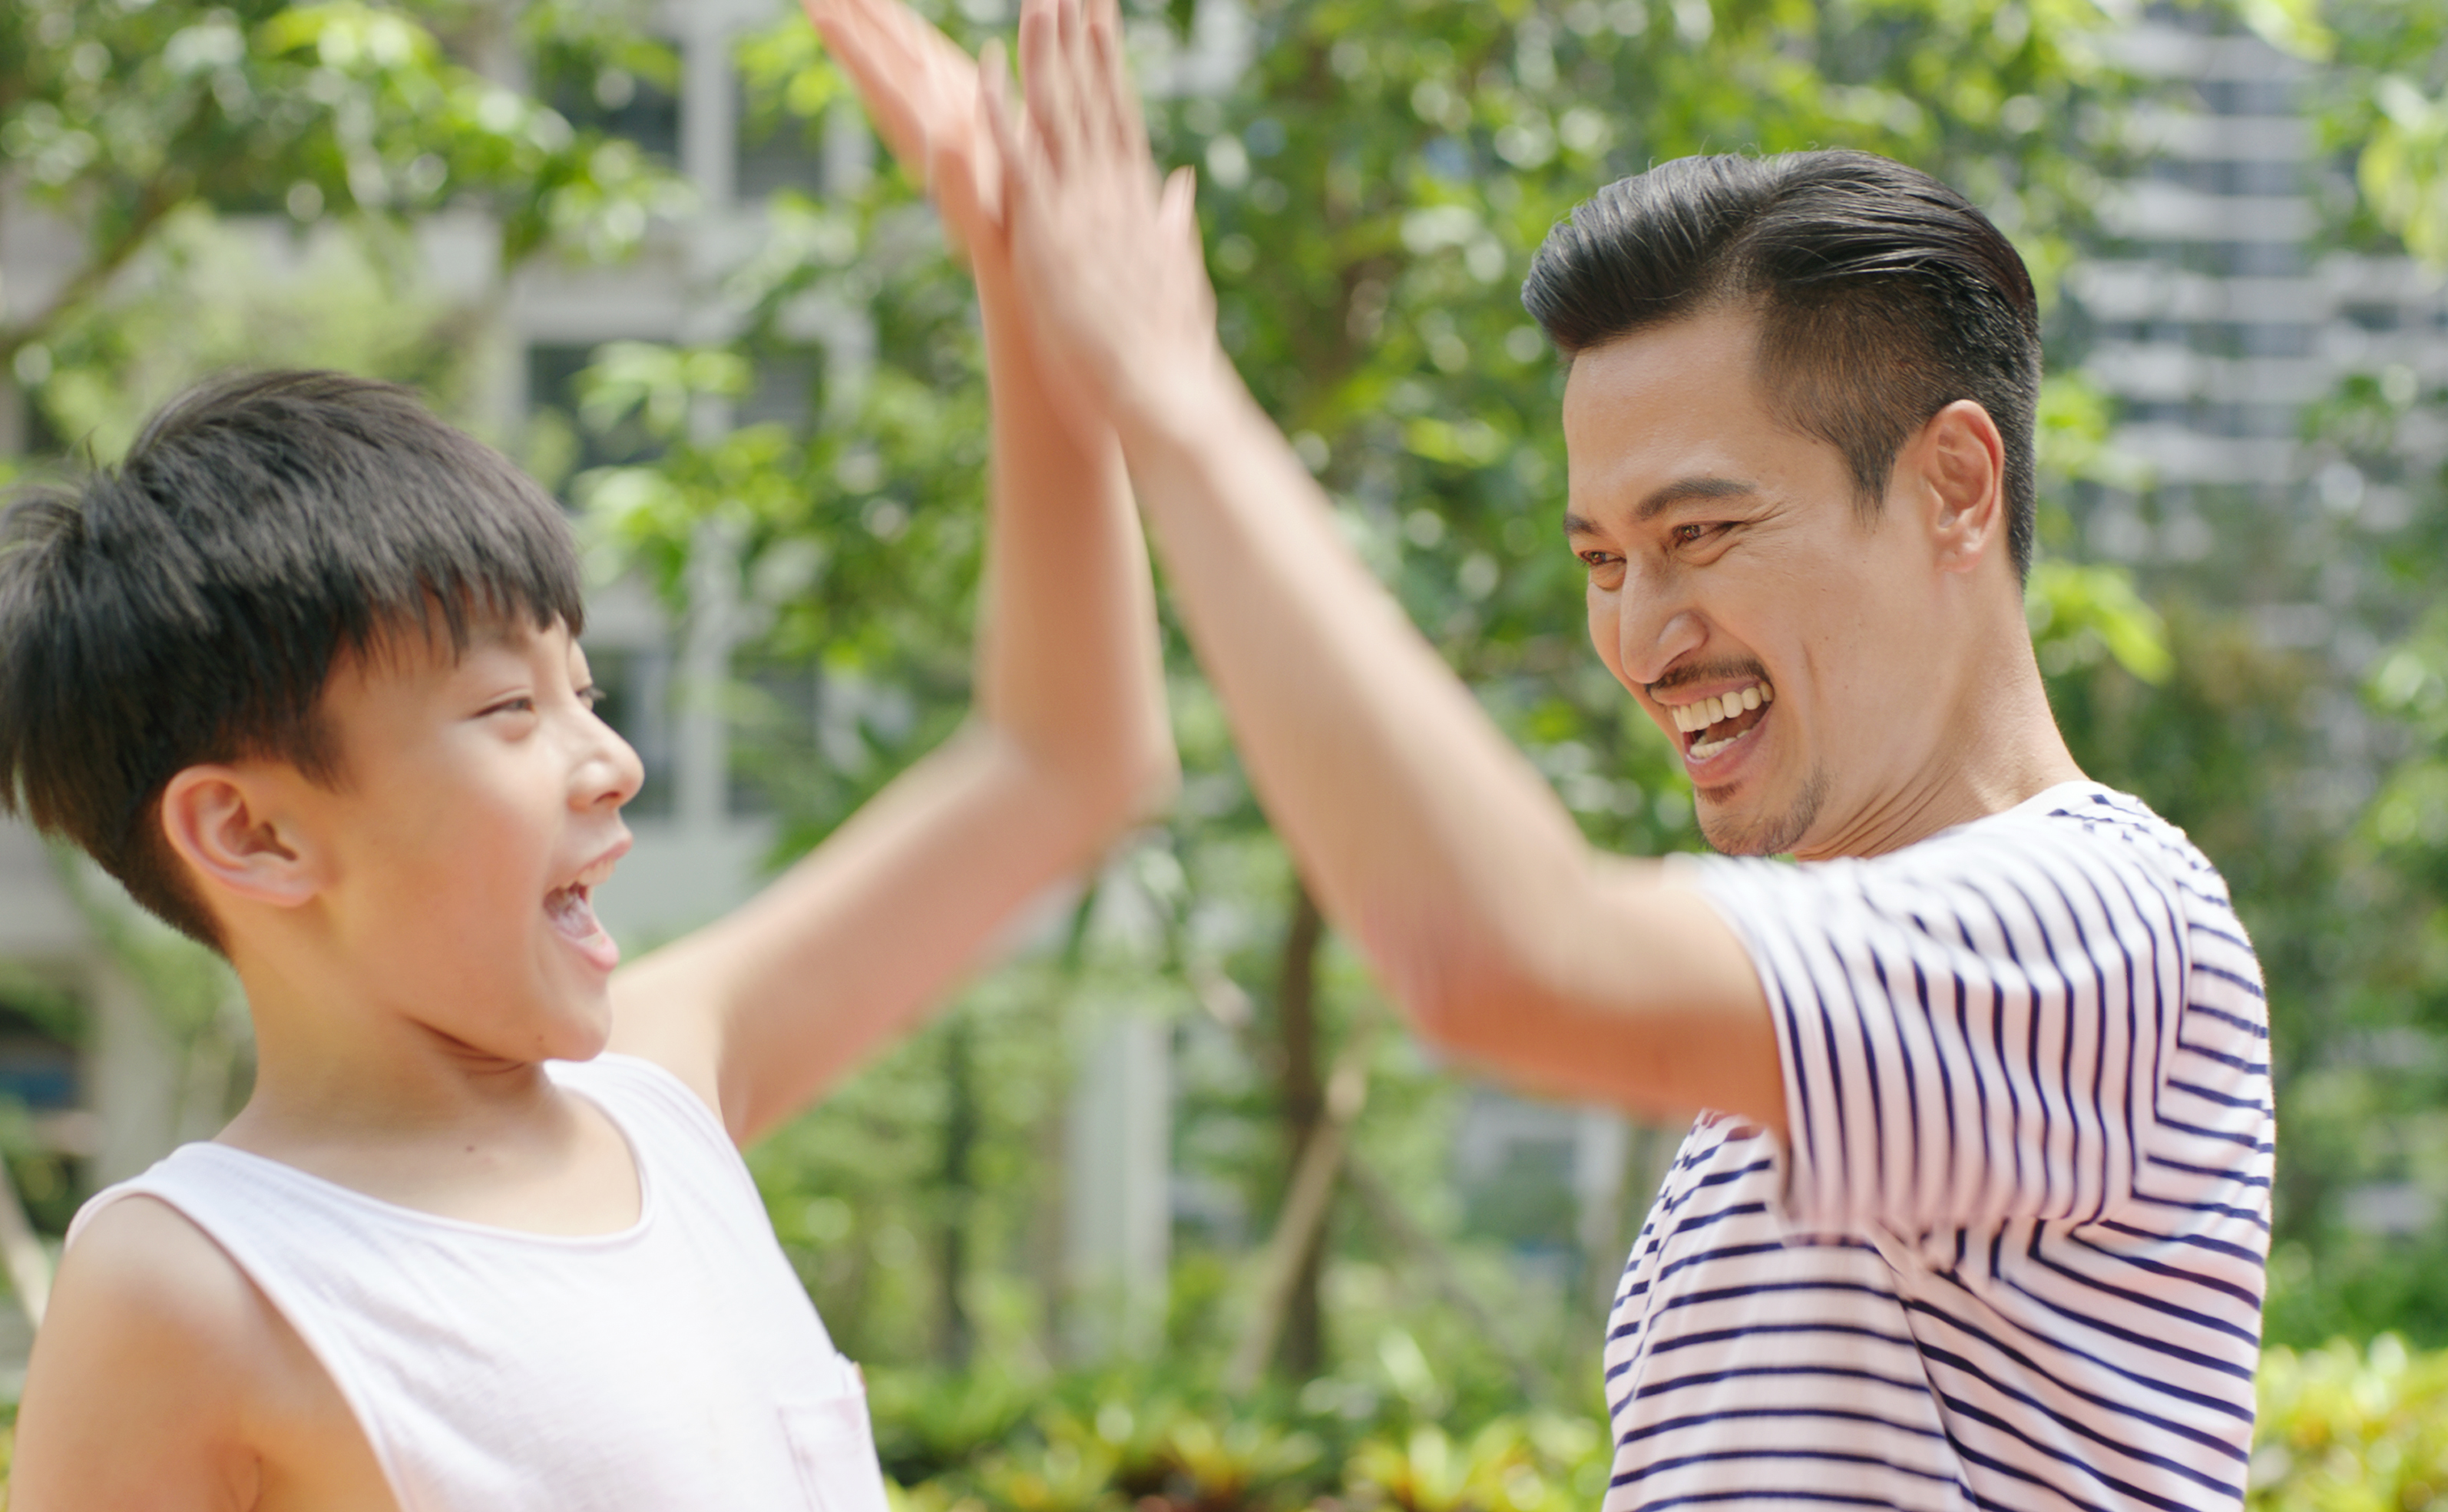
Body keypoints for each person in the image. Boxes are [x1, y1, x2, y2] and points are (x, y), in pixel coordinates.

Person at [812, 0, 2270, 1505]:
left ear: (1954, 485)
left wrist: (1174, 391)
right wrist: (1033, 298)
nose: (1642, 634)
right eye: (1599, 560)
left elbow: (1505, 952)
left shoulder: (2091, 930)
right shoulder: (1808, 1031)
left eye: (1698, 533)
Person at [0, 48, 1170, 1502]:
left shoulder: (666, 1089)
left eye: (585, 688)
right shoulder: (194, 1278)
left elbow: (1063, 762)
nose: (614, 758)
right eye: (509, 707)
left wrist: (1035, 308)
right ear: (254, 828)